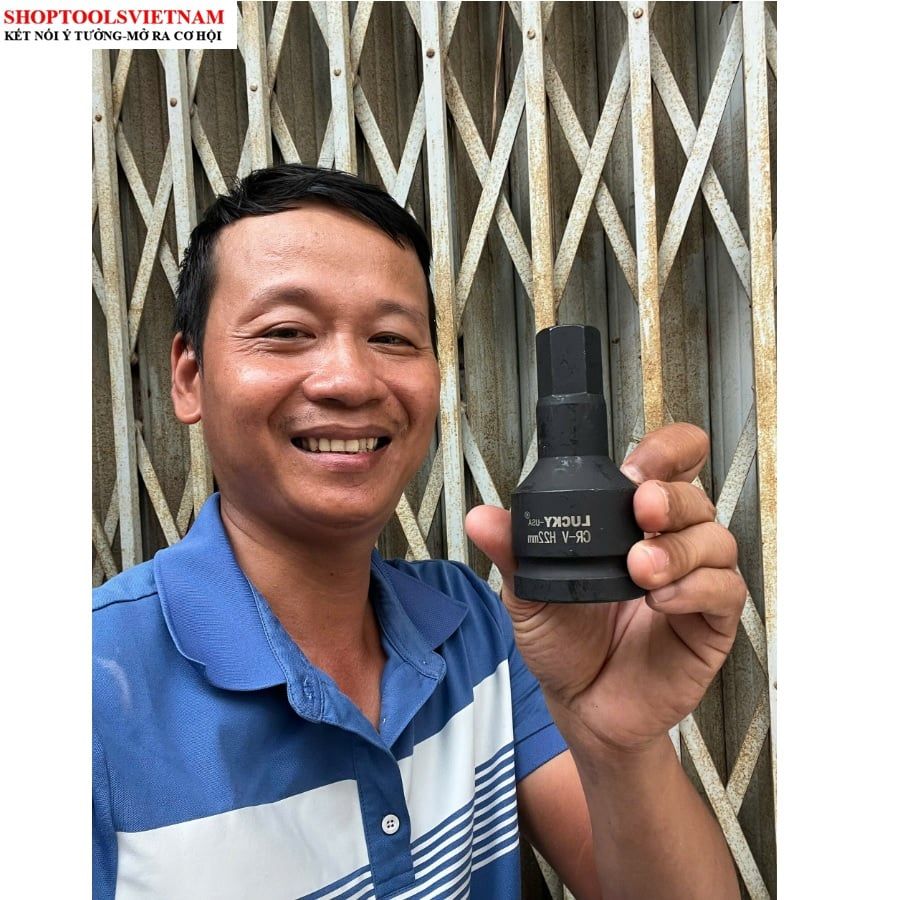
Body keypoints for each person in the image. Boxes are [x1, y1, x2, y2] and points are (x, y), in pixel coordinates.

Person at [93, 164, 746, 899]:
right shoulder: (88, 692)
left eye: (392, 338)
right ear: (189, 377)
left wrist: (620, 747)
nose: (350, 379)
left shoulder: (477, 629)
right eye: (286, 332)